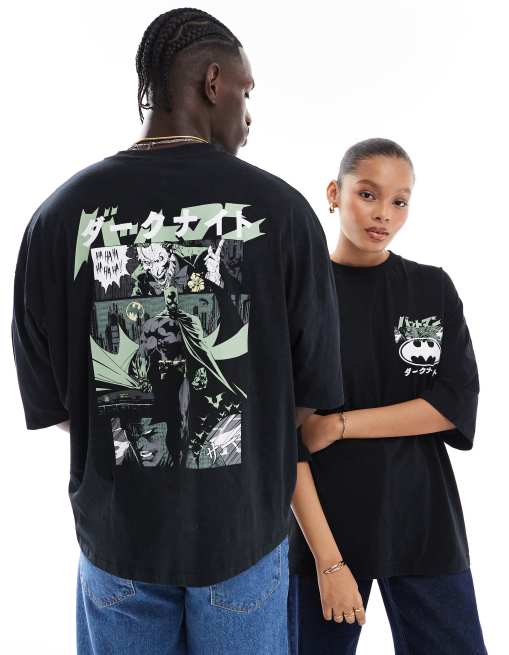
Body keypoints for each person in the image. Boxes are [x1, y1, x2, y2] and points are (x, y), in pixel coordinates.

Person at [10, 8, 344, 654]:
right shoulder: (283, 213)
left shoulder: (57, 217)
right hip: (240, 538)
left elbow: (57, 404)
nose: (248, 116)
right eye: (246, 92)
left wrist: (138, 425)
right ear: (213, 82)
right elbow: (309, 396)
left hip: (121, 541)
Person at [287, 138, 488, 655]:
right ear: (334, 193)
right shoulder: (300, 298)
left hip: (424, 526)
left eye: (400, 201)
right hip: (325, 532)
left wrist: (340, 425)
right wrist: (328, 563)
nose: (384, 214)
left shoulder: (431, 288)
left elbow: (452, 403)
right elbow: (285, 442)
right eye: (368, 194)